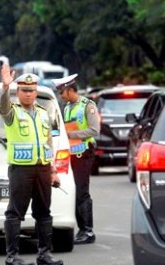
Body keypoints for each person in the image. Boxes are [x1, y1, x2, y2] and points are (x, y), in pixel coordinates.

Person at [0, 64, 63, 265]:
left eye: (32, 90)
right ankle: (12, 256)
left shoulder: (44, 113)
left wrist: (53, 170)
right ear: (18, 92)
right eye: (24, 90)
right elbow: (2, 107)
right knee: (15, 212)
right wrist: (5, 87)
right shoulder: (12, 113)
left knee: (44, 211)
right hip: (21, 169)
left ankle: (44, 254)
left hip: (42, 168)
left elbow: (48, 143)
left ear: (36, 91)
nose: (28, 93)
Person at [53, 74, 100, 245]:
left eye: (62, 92)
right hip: (70, 154)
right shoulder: (66, 107)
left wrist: (71, 134)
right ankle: (79, 227)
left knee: (81, 192)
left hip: (83, 153)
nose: (60, 95)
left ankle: (87, 230)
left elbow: (94, 130)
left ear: (71, 90)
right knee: (71, 191)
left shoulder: (88, 106)